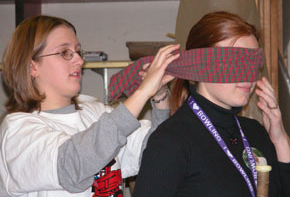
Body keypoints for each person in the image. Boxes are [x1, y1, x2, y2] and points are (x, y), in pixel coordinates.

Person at [0, 15, 180, 197]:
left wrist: (160, 96)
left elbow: (157, 153)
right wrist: (142, 92)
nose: (79, 60)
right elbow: (73, 166)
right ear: (32, 67)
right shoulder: (17, 132)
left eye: (78, 51)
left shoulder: (96, 112)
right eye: (65, 52)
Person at [132, 11, 290, 197]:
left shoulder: (255, 132)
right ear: (200, 67)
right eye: (235, 62)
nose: (247, 75)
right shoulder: (171, 142)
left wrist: (279, 137)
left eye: (252, 64)